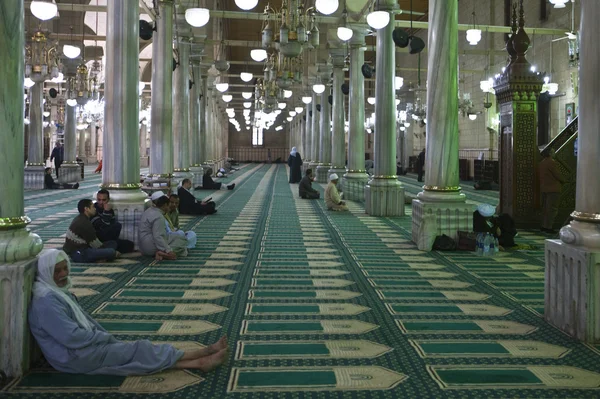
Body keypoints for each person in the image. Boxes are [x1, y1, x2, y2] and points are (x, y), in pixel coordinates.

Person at [28, 249, 228, 375]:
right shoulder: (46, 302)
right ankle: (199, 358)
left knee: (131, 356)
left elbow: (84, 325)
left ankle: (197, 360)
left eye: (65, 269)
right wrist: (101, 337)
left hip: (82, 349)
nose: (63, 275)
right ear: (46, 273)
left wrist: (103, 337)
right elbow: (70, 337)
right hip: (73, 357)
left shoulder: (55, 293)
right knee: (138, 350)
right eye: (57, 271)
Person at [139, 194, 187, 260]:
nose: (169, 208)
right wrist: (168, 250)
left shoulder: (149, 210)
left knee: (178, 238)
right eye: (168, 205)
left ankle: (163, 252)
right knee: (182, 241)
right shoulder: (159, 216)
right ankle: (164, 254)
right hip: (150, 247)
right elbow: (158, 236)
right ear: (164, 205)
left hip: (143, 247)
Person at [91, 189, 134, 253]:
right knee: (117, 226)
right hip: (97, 238)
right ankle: (107, 250)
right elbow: (102, 226)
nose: (101, 202)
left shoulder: (109, 210)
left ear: (108, 200)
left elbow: (111, 225)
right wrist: (106, 212)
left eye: (104, 200)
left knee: (129, 245)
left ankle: (109, 247)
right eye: (99, 200)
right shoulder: (93, 209)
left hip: (108, 238)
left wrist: (107, 211)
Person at [539, 147, 565, 234]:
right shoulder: (551, 162)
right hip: (553, 189)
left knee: (545, 209)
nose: (555, 153)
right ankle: (549, 227)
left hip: (544, 188)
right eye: (553, 152)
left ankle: (543, 226)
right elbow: (558, 175)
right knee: (552, 209)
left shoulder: (542, 162)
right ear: (550, 153)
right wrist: (565, 180)